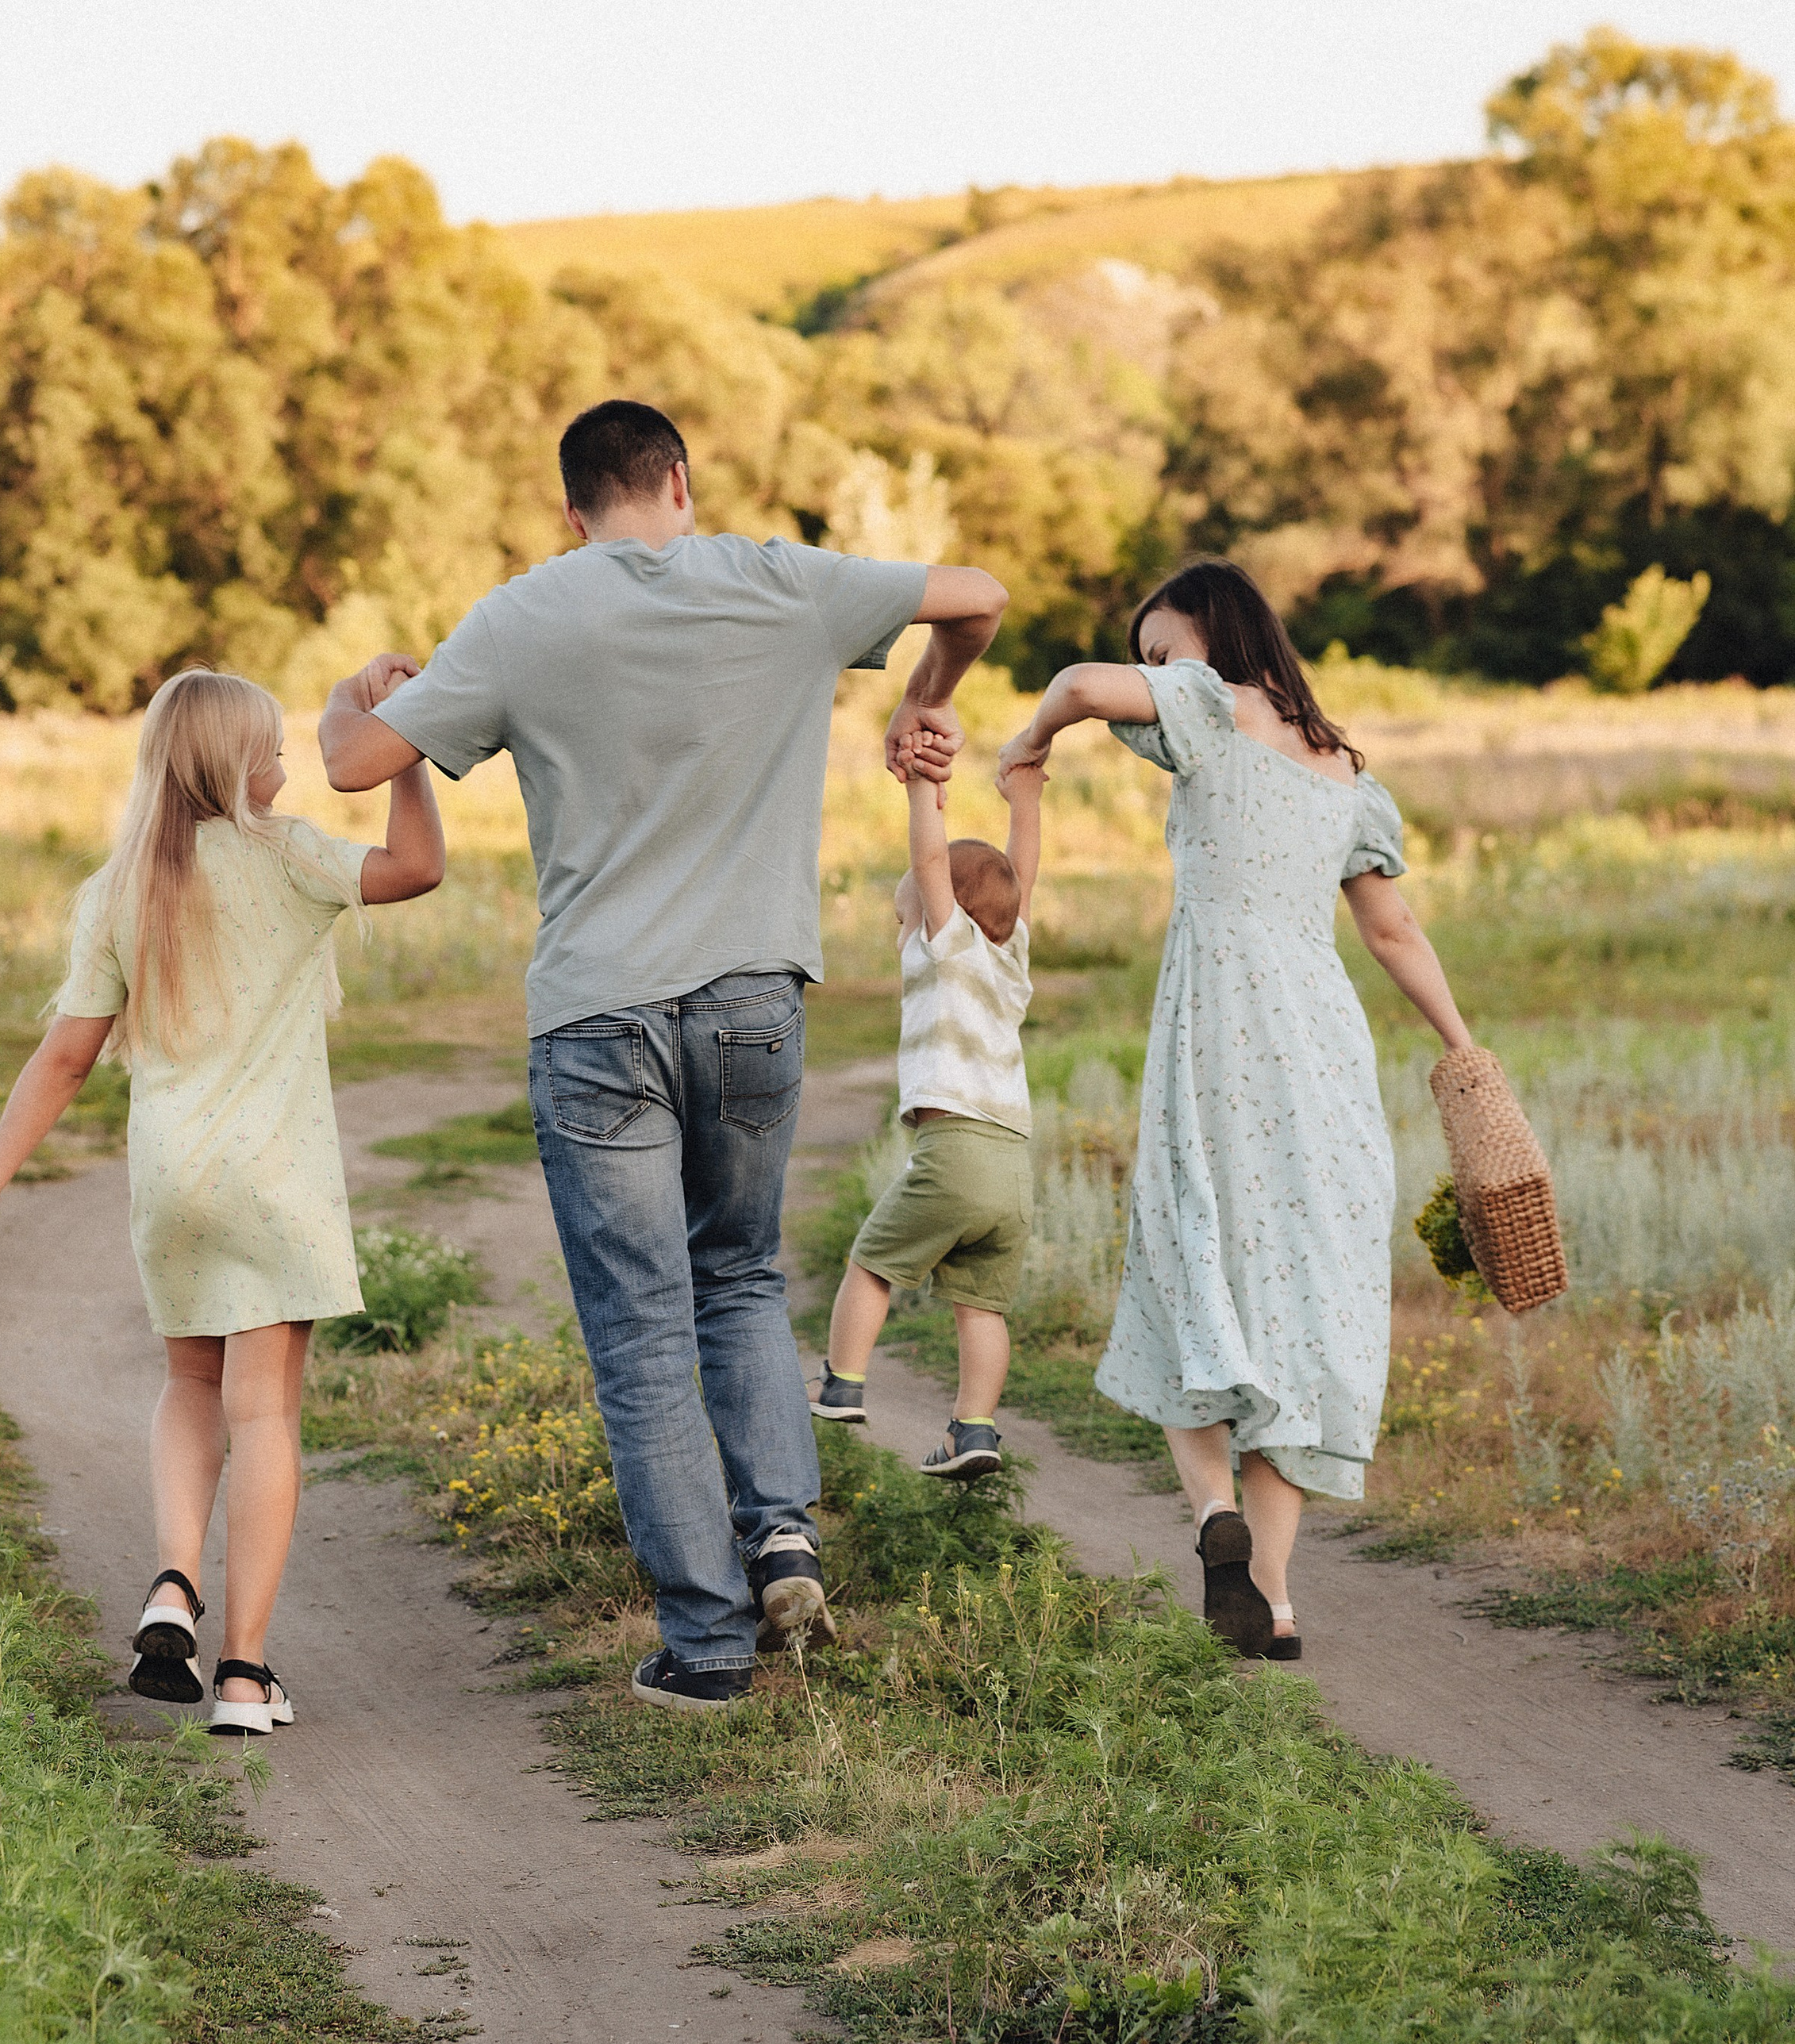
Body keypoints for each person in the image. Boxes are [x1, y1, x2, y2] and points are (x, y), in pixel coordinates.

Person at [318, 398, 1006, 1712]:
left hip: (596, 1017)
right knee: (741, 1272)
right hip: (755, 994)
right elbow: (978, 593)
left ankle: (703, 1644)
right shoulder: (782, 581)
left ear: (570, 510)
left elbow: (355, 765)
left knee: (640, 1335)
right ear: (679, 482)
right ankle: (781, 1531)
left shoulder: (527, 612)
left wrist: (355, 692)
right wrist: (921, 703)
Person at [0, 669, 444, 1735]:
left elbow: (67, 1056)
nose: (283, 763)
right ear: (228, 764)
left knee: (188, 1383)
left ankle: (173, 1580)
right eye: (268, 747)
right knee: (263, 1413)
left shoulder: (122, 885)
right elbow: (417, 867)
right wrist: (411, 747)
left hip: (171, 1182)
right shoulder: (290, 853)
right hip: (276, 1182)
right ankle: (247, 1675)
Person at [995, 559, 1474, 1661]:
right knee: (1302, 1299)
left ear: (1209, 633)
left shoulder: (1211, 705)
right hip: (1323, 1044)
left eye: (1161, 650)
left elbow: (1073, 682)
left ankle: (1212, 1511)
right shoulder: (1347, 768)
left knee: (1182, 1253)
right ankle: (1276, 1597)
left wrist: (1028, 745)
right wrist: (1462, 1044)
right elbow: (1394, 933)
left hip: (1222, 1025)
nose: (1152, 674)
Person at [810, 751, 1046, 1481]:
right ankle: (974, 1430)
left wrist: (923, 790)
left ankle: (841, 1382)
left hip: (956, 1149)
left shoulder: (947, 951)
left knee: (873, 1262)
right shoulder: (1012, 959)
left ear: (944, 912)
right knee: (982, 1308)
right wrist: (1025, 801)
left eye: (903, 913)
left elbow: (930, 859)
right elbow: (1021, 879)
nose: (901, 927)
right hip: (1012, 1168)